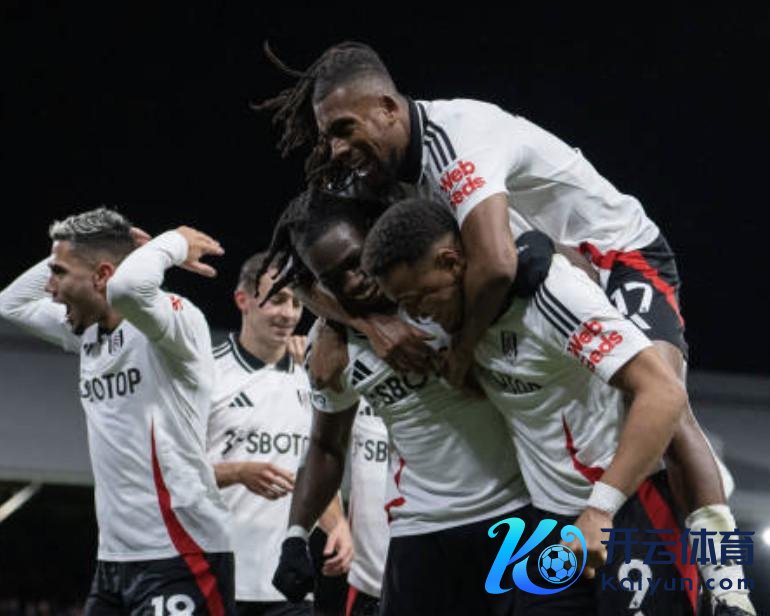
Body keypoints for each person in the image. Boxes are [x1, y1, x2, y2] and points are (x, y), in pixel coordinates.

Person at [256, 41, 751, 616]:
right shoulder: (382, 174)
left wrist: (463, 351)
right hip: (542, 296)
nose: (337, 149)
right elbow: (302, 252)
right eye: (328, 138)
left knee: (664, 403)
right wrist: (352, 322)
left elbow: (494, 264)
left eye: (344, 128)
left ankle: (728, 583)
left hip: (613, 251)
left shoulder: (458, 136)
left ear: (388, 107)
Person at [362, 197, 743, 615]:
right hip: (551, 523)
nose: (418, 316)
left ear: (452, 262)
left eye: (419, 299)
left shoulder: (551, 294)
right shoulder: (457, 317)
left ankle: (731, 589)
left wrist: (601, 509)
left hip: (629, 508)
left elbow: (664, 393)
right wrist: (344, 323)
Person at [267, 190, 529, 615]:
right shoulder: (332, 345)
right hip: (418, 529)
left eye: (356, 262)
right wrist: (295, 535)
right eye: (335, 278)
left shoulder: (456, 288)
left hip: (514, 512)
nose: (353, 281)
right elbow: (326, 445)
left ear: (375, 232)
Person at [0, 207, 233, 615]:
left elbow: (128, 289)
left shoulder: (172, 324)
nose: (49, 288)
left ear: (102, 276)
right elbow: (11, 303)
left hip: (181, 554)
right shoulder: (87, 331)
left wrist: (171, 243)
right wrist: (79, 250)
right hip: (114, 561)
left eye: (59, 273)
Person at [207, 252, 353, 616]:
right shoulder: (206, 373)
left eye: (296, 302)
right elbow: (173, 474)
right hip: (215, 576)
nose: (288, 313)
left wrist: (338, 524)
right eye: (276, 299)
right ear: (242, 300)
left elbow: (313, 469)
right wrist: (237, 472)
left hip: (288, 584)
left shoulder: (312, 376)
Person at [343, 402, 389, 616]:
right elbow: (321, 447)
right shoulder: (356, 387)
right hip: (368, 580)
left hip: (437, 561)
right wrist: (337, 523)